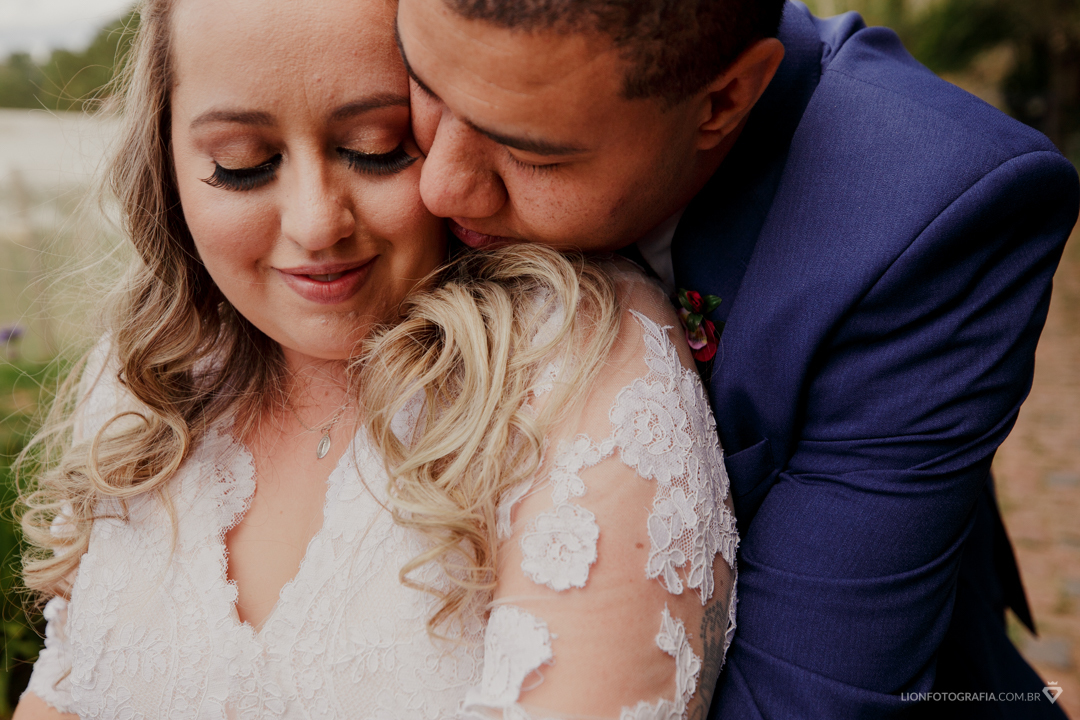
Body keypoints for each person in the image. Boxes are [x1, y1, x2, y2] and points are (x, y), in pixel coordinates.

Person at [13, 0, 737, 717]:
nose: (316, 223)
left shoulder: (573, 362)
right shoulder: (149, 373)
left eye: (377, 145)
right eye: (243, 165)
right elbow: (66, 686)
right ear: (166, 158)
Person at [393, 0, 1080, 717]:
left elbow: (803, 699)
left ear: (721, 102)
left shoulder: (931, 215)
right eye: (422, 86)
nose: (439, 187)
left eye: (533, 154)